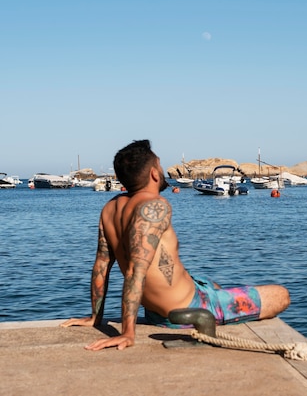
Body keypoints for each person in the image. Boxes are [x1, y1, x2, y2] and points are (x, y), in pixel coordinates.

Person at [61, 140, 290, 350]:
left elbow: (102, 265)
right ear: (153, 173)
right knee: (281, 295)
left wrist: (95, 316)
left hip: (156, 309)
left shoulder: (110, 208)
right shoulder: (155, 207)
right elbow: (134, 271)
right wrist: (128, 333)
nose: (162, 172)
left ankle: (212, 295)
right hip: (187, 309)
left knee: (212, 283)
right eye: (159, 167)